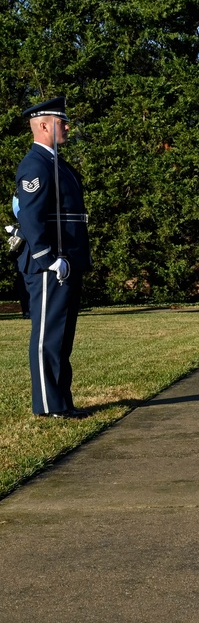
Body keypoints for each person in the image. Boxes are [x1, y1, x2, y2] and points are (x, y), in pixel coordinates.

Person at [15, 96, 92, 419]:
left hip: (67, 260)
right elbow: (30, 217)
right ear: (44, 126)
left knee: (61, 336)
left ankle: (61, 401)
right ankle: (48, 405)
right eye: (62, 122)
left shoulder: (56, 163)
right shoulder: (36, 164)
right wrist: (48, 258)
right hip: (50, 263)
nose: (67, 127)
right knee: (48, 335)